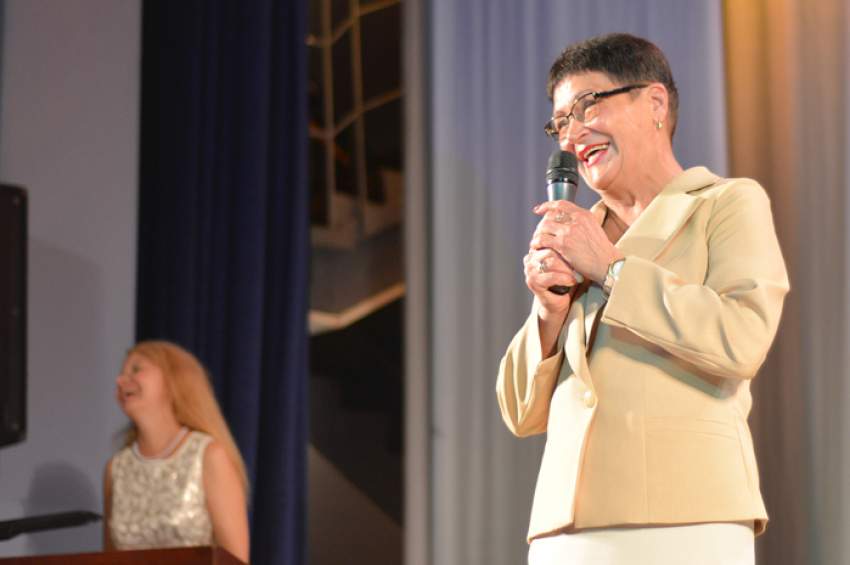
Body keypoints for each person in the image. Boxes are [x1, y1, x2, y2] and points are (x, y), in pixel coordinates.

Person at [496, 33, 789, 565]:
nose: (572, 134)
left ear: (654, 103)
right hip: (566, 528)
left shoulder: (724, 204)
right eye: (560, 122)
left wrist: (611, 269)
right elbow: (520, 412)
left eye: (588, 106)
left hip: (688, 515)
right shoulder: (578, 236)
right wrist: (548, 312)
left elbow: (741, 337)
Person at [103, 340, 250, 563]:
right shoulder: (116, 468)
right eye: (121, 374)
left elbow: (235, 559)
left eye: (136, 369)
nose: (120, 381)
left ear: (173, 380)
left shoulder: (208, 455)